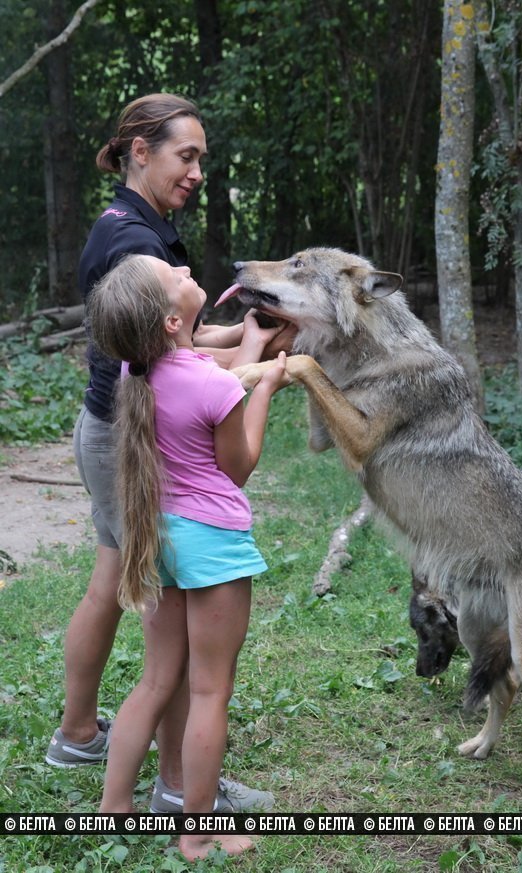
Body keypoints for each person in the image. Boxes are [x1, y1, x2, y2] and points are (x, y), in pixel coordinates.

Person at [45, 93, 286, 814]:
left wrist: (244, 340)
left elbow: (173, 344)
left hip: (116, 425)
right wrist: (254, 360)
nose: (197, 171)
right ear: (139, 152)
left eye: (202, 159)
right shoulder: (137, 247)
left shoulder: (129, 223)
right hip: (133, 441)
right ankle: (178, 784)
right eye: (187, 155)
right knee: (168, 632)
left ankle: (81, 733)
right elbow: (181, 359)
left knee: (115, 576)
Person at [90, 254, 289, 859]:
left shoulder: (133, 370)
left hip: (158, 540)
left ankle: (113, 807)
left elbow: (204, 364)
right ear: (173, 323)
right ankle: (199, 827)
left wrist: (250, 350)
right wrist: (267, 389)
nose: (184, 269)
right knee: (208, 691)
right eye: (173, 276)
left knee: (155, 680)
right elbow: (240, 465)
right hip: (211, 546)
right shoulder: (214, 386)